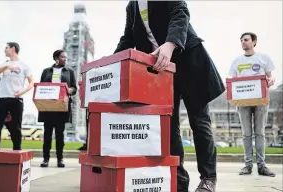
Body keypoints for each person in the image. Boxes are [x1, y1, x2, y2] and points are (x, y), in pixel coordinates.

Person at [114, 1, 225, 192]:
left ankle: (208, 178)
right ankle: (178, 181)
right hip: (162, 72)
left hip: (189, 62)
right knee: (168, 125)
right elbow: (128, 38)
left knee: (199, 122)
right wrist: (112, 63)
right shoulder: (132, 6)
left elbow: (180, 13)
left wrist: (171, 43)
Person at [229, 32, 276, 177]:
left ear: (254, 42)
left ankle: (262, 166)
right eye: (241, 40)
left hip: (261, 101)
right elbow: (233, 80)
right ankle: (247, 165)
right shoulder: (237, 61)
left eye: (246, 40)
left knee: (260, 133)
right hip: (243, 102)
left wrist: (272, 80)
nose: (243, 42)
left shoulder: (263, 58)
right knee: (246, 134)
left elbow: (270, 76)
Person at [38, 50, 77, 168]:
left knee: (60, 134)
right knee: (47, 134)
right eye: (63, 57)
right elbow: (41, 87)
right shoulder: (46, 71)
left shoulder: (69, 71)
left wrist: (71, 90)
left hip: (61, 107)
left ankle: (60, 159)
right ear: (56, 58)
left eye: (66, 57)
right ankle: (45, 159)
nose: (65, 59)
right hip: (48, 107)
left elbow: (74, 87)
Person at [0, 42, 34, 150]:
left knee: (16, 127)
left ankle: (17, 150)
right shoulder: (4, 63)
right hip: (2, 99)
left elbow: (31, 83)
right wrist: (6, 66)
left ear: (13, 49)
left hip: (16, 100)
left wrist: (22, 92)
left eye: (6, 48)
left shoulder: (24, 66)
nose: (4, 50)